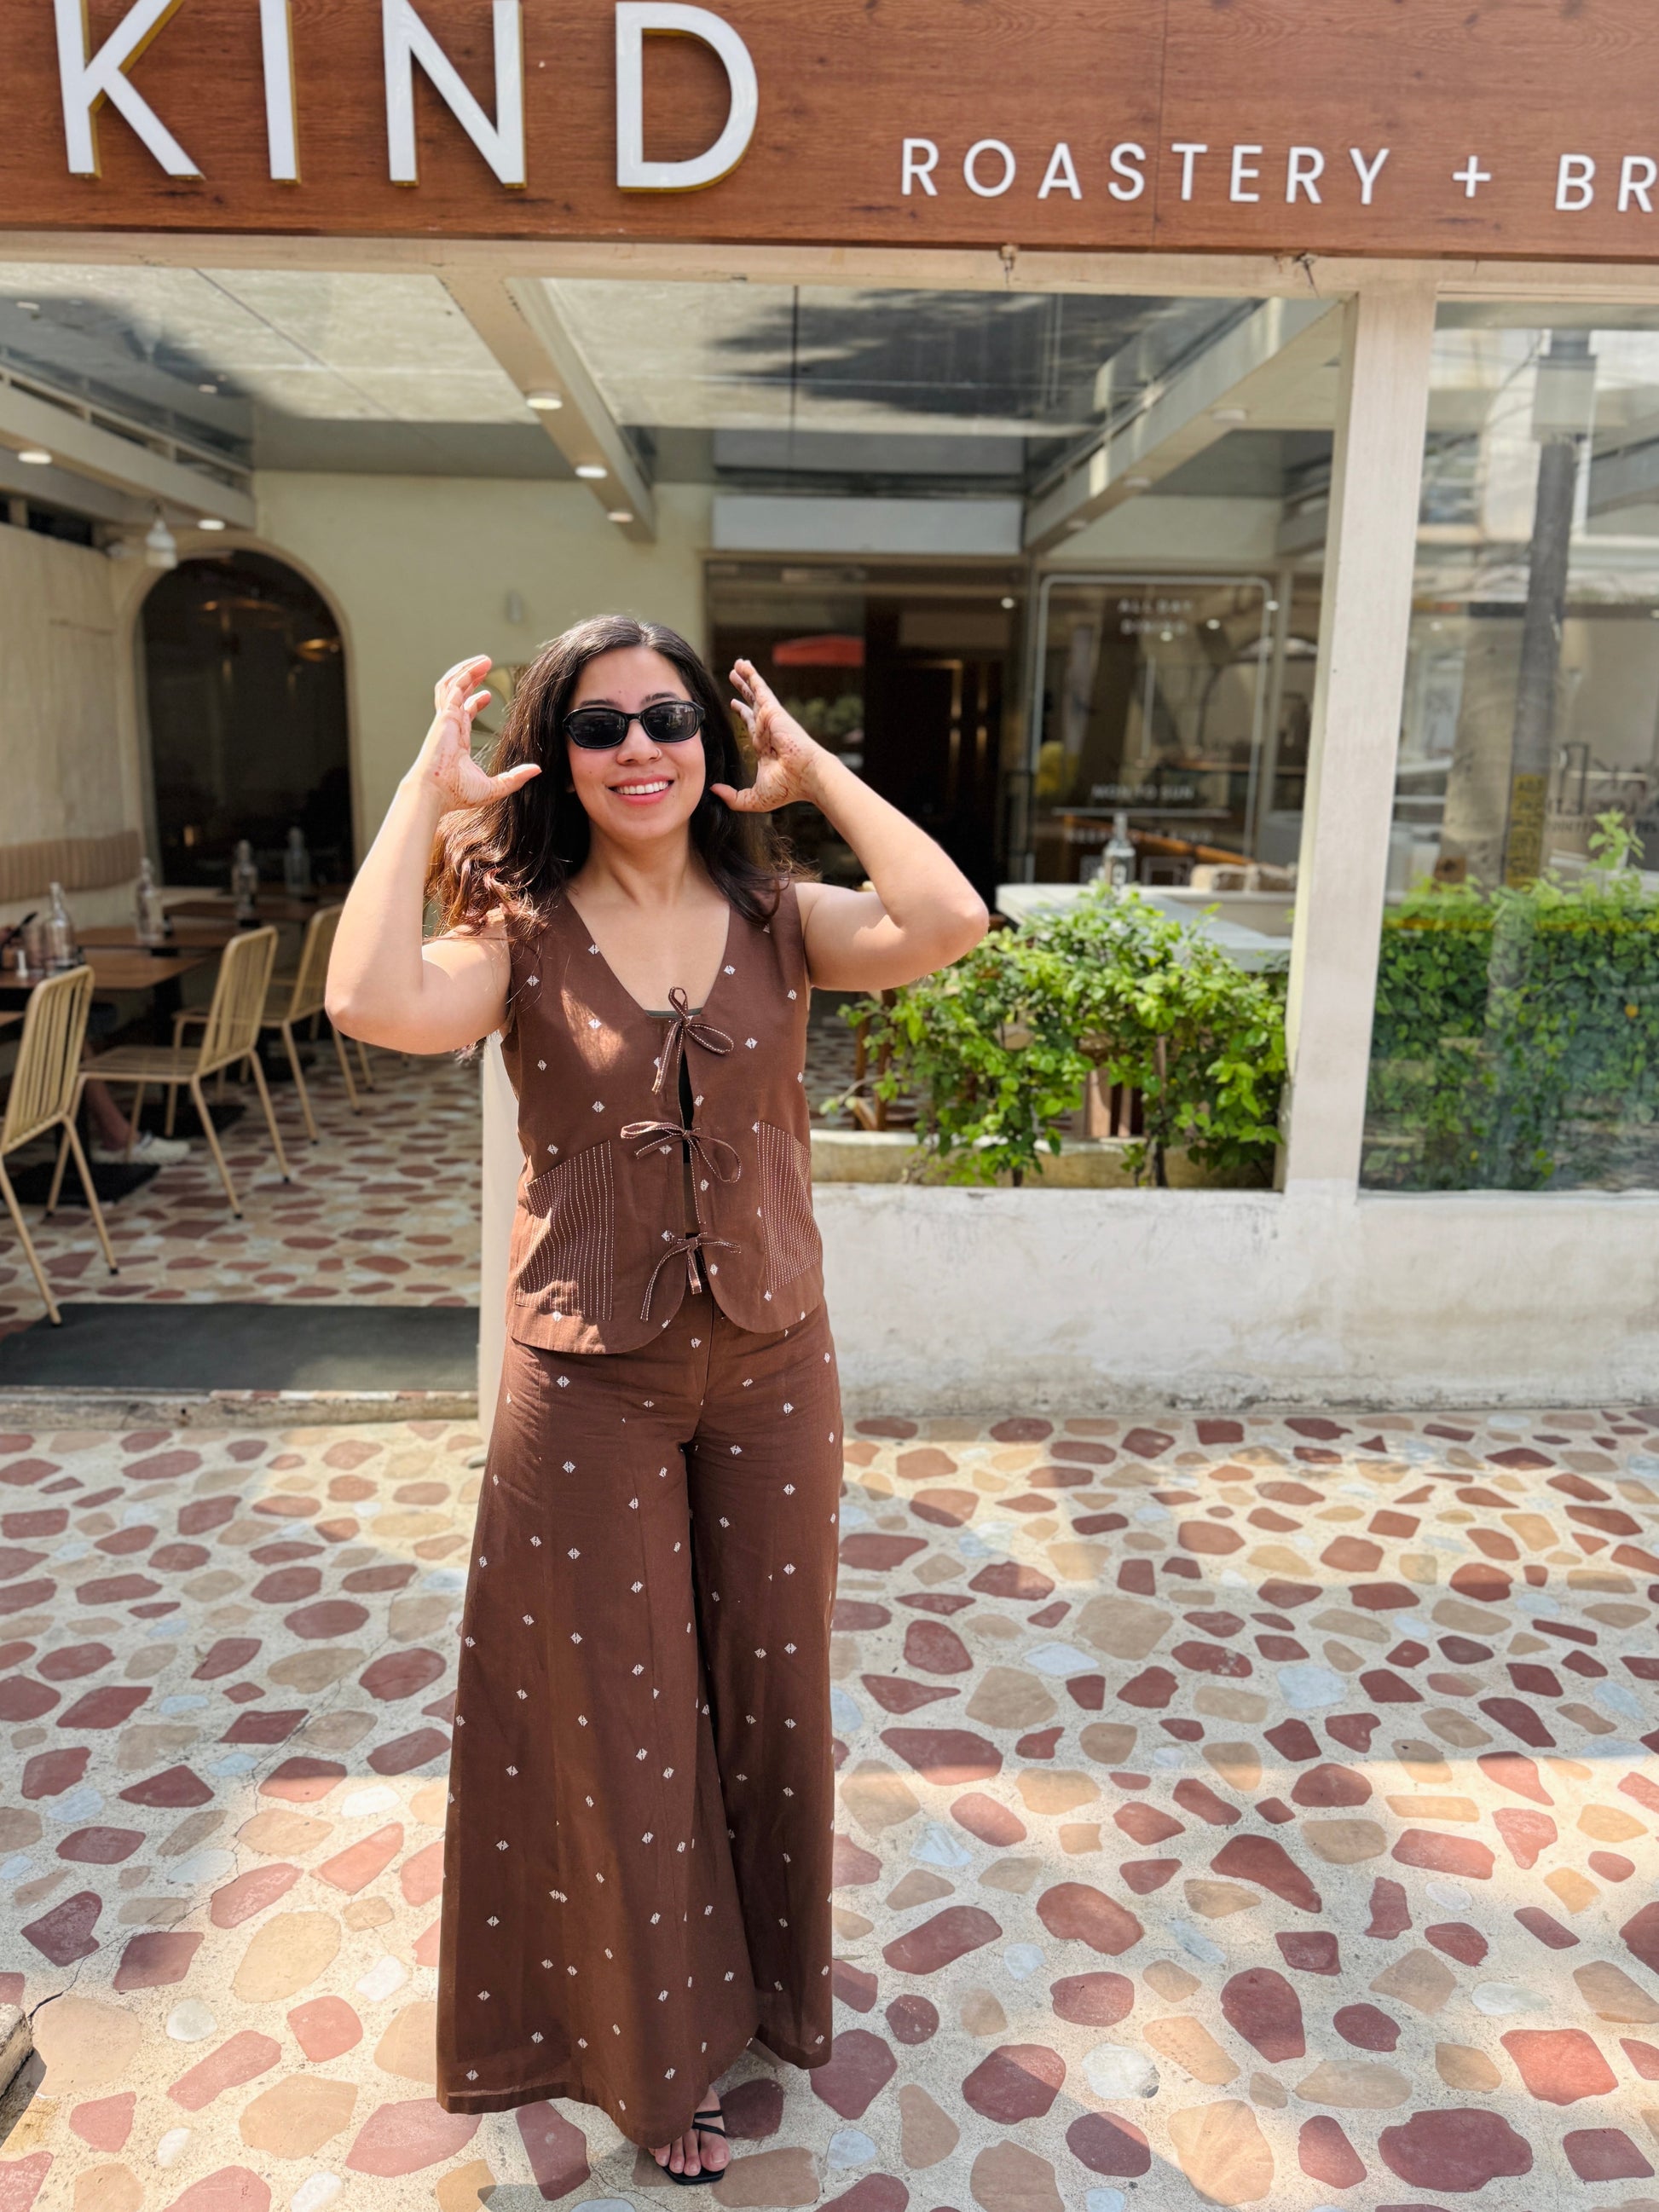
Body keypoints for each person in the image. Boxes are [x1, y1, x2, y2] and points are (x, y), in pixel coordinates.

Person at [326, 615, 986, 2180]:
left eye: (668, 718)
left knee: (769, 1686)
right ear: (559, 755)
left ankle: (758, 1994)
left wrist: (810, 768)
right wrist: (423, 795)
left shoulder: (777, 916)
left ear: (707, 738)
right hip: (587, 1378)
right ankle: (653, 2052)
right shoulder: (522, 931)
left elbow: (949, 916)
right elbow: (366, 999)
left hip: (773, 1358)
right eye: (604, 725)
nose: (640, 748)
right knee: (620, 1715)